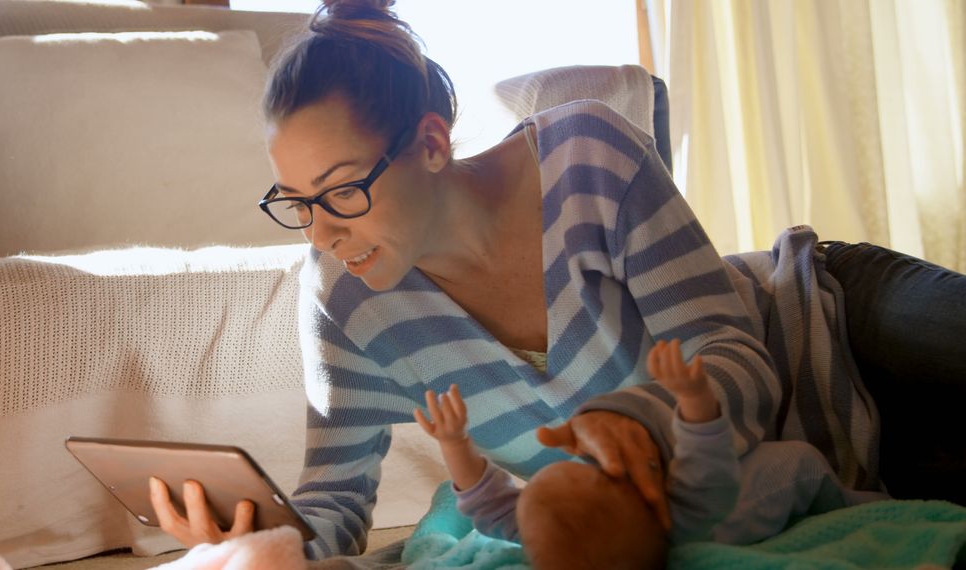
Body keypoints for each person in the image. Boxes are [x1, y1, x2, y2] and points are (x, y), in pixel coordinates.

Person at [146, 0, 962, 560]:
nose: (323, 231)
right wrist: (255, 539)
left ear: (432, 142)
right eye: (296, 203)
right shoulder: (344, 300)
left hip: (834, 327)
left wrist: (639, 419)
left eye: (344, 191)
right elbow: (335, 508)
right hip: (811, 485)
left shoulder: (584, 157)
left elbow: (735, 351)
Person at [415, 339, 887, 568]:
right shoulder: (688, 509)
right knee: (803, 462)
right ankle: (860, 504)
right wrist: (693, 399)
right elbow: (707, 458)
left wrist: (455, 444)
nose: (583, 460)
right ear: (646, 497)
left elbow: (488, 505)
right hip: (776, 483)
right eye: (595, 470)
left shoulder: (546, 538)